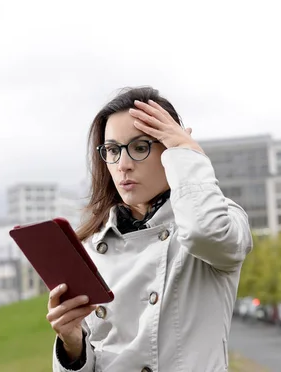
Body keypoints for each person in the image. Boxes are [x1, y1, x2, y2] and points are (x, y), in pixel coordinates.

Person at [46, 86, 253, 372]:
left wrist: (188, 152)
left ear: (171, 150)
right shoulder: (92, 246)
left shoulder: (221, 219)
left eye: (140, 147)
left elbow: (206, 232)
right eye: (113, 150)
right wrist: (72, 346)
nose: (124, 165)